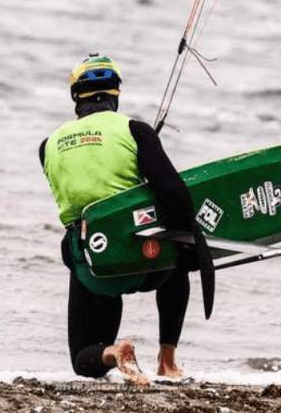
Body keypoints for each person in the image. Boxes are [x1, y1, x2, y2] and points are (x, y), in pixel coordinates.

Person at [39, 54, 197, 386]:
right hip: (151, 263)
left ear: (75, 98)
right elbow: (175, 196)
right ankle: (167, 361)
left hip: (96, 270)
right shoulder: (135, 130)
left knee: (83, 359)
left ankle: (113, 352)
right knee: (179, 255)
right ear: (115, 95)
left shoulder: (47, 146)